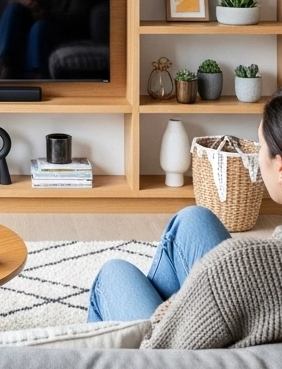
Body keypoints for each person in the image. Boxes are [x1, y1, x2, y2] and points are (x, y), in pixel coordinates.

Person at [87, 93, 282, 322]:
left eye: (261, 146)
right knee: (195, 219)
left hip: (194, 342)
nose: (258, 157)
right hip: (242, 312)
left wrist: (169, 319)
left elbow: (194, 337)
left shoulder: (269, 261)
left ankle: (100, 345)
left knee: (113, 274)